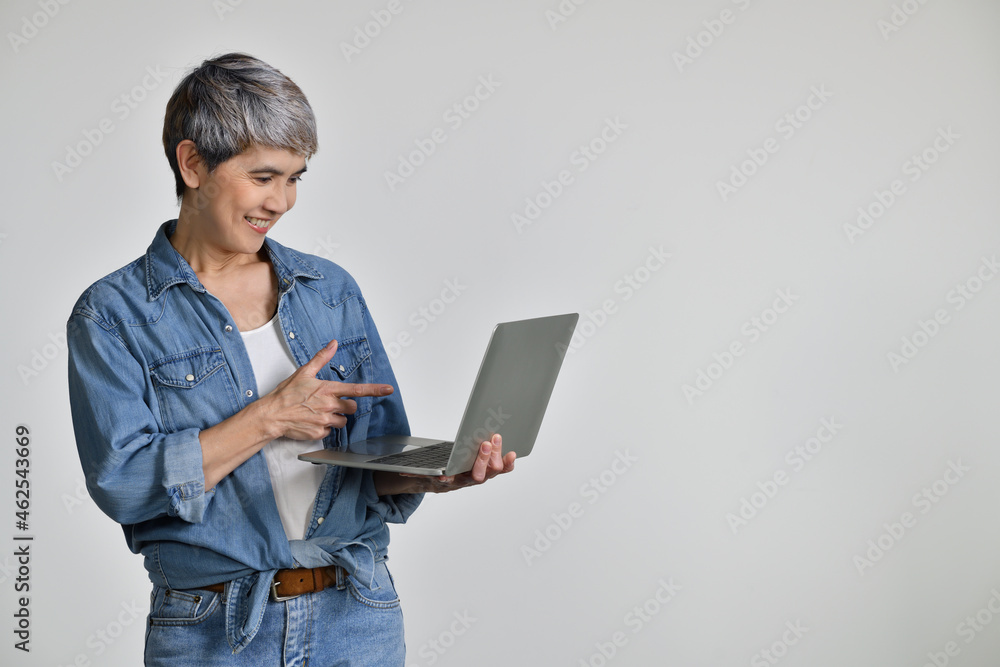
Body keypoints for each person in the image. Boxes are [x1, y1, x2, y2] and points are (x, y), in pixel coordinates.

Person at [66, 52, 515, 666]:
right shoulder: (114, 314)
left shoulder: (329, 290)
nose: (282, 201)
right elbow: (124, 484)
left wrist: (437, 472)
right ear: (193, 163)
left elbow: (371, 461)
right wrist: (269, 418)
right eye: (263, 176)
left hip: (356, 615)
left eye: (296, 178)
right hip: (213, 631)